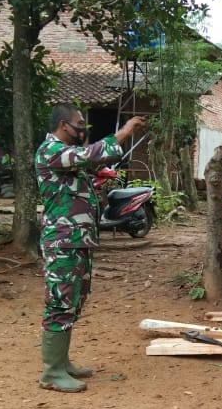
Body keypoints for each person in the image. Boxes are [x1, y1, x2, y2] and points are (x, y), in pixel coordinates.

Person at [36, 103, 147, 393]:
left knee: (75, 298)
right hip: (62, 241)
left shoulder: (67, 154)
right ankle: (51, 372)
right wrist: (123, 132)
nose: (83, 128)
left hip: (77, 240)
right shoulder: (50, 151)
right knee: (60, 301)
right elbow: (89, 155)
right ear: (63, 124)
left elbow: (93, 161)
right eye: (79, 123)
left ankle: (62, 363)